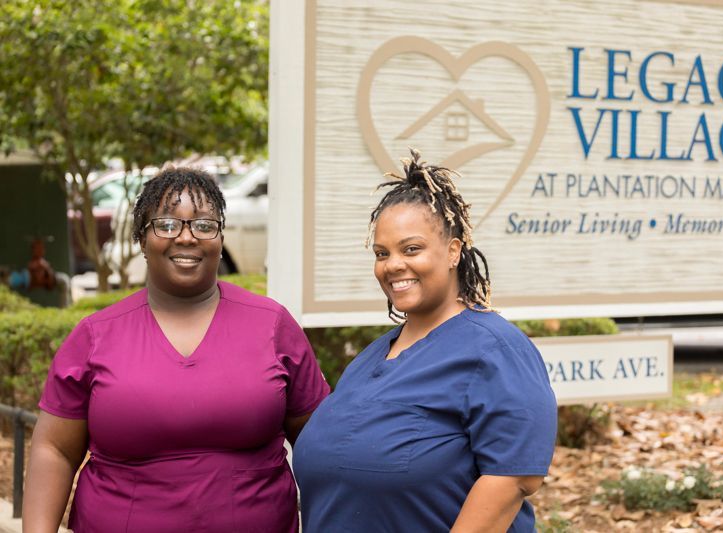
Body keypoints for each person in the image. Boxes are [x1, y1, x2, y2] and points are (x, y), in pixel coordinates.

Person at [23, 167, 329, 532]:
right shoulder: (95, 336)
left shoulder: (273, 326)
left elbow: (320, 446)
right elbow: (54, 450)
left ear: (219, 237)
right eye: (166, 225)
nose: (186, 237)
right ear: (142, 238)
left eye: (203, 225)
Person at [293, 149, 557, 532]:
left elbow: (514, 479)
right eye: (382, 253)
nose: (393, 265)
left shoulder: (497, 349)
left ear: (453, 251)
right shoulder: (370, 359)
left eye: (411, 249)